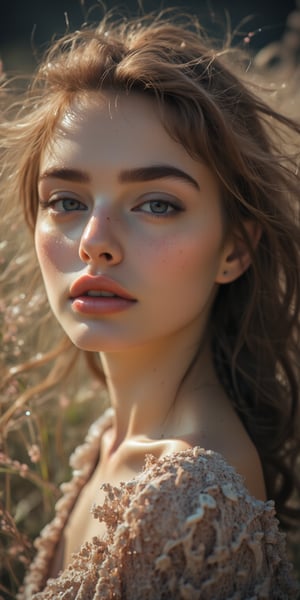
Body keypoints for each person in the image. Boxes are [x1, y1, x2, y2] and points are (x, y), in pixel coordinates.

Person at [0, 9, 299, 599]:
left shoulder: (192, 498)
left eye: (156, 204)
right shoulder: (110, 441)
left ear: (234, 249)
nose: (94, 242)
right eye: (66, 200)